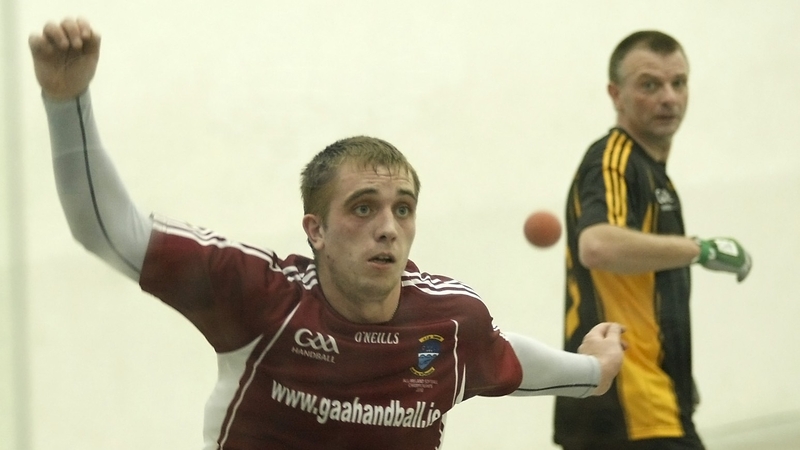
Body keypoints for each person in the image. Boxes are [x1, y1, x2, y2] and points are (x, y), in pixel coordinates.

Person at [31, 18, 625, 450]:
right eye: (363, 208)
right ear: (314, 230)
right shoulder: (260, 295)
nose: (387, 229)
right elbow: (108, 232)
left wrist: (593, 372)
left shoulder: (450, 320)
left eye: (403, 209)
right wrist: (67, 100)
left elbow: (502, 356)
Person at [554, 30, 753, 450]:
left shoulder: (653, 173)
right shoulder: (613, 158)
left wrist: (678, 374)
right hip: (626, 405)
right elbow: (597, 245)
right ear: (616, 94)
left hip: (654, 401)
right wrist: (702, 249)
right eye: (650, 85)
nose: (669, 98)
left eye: (678, 83)